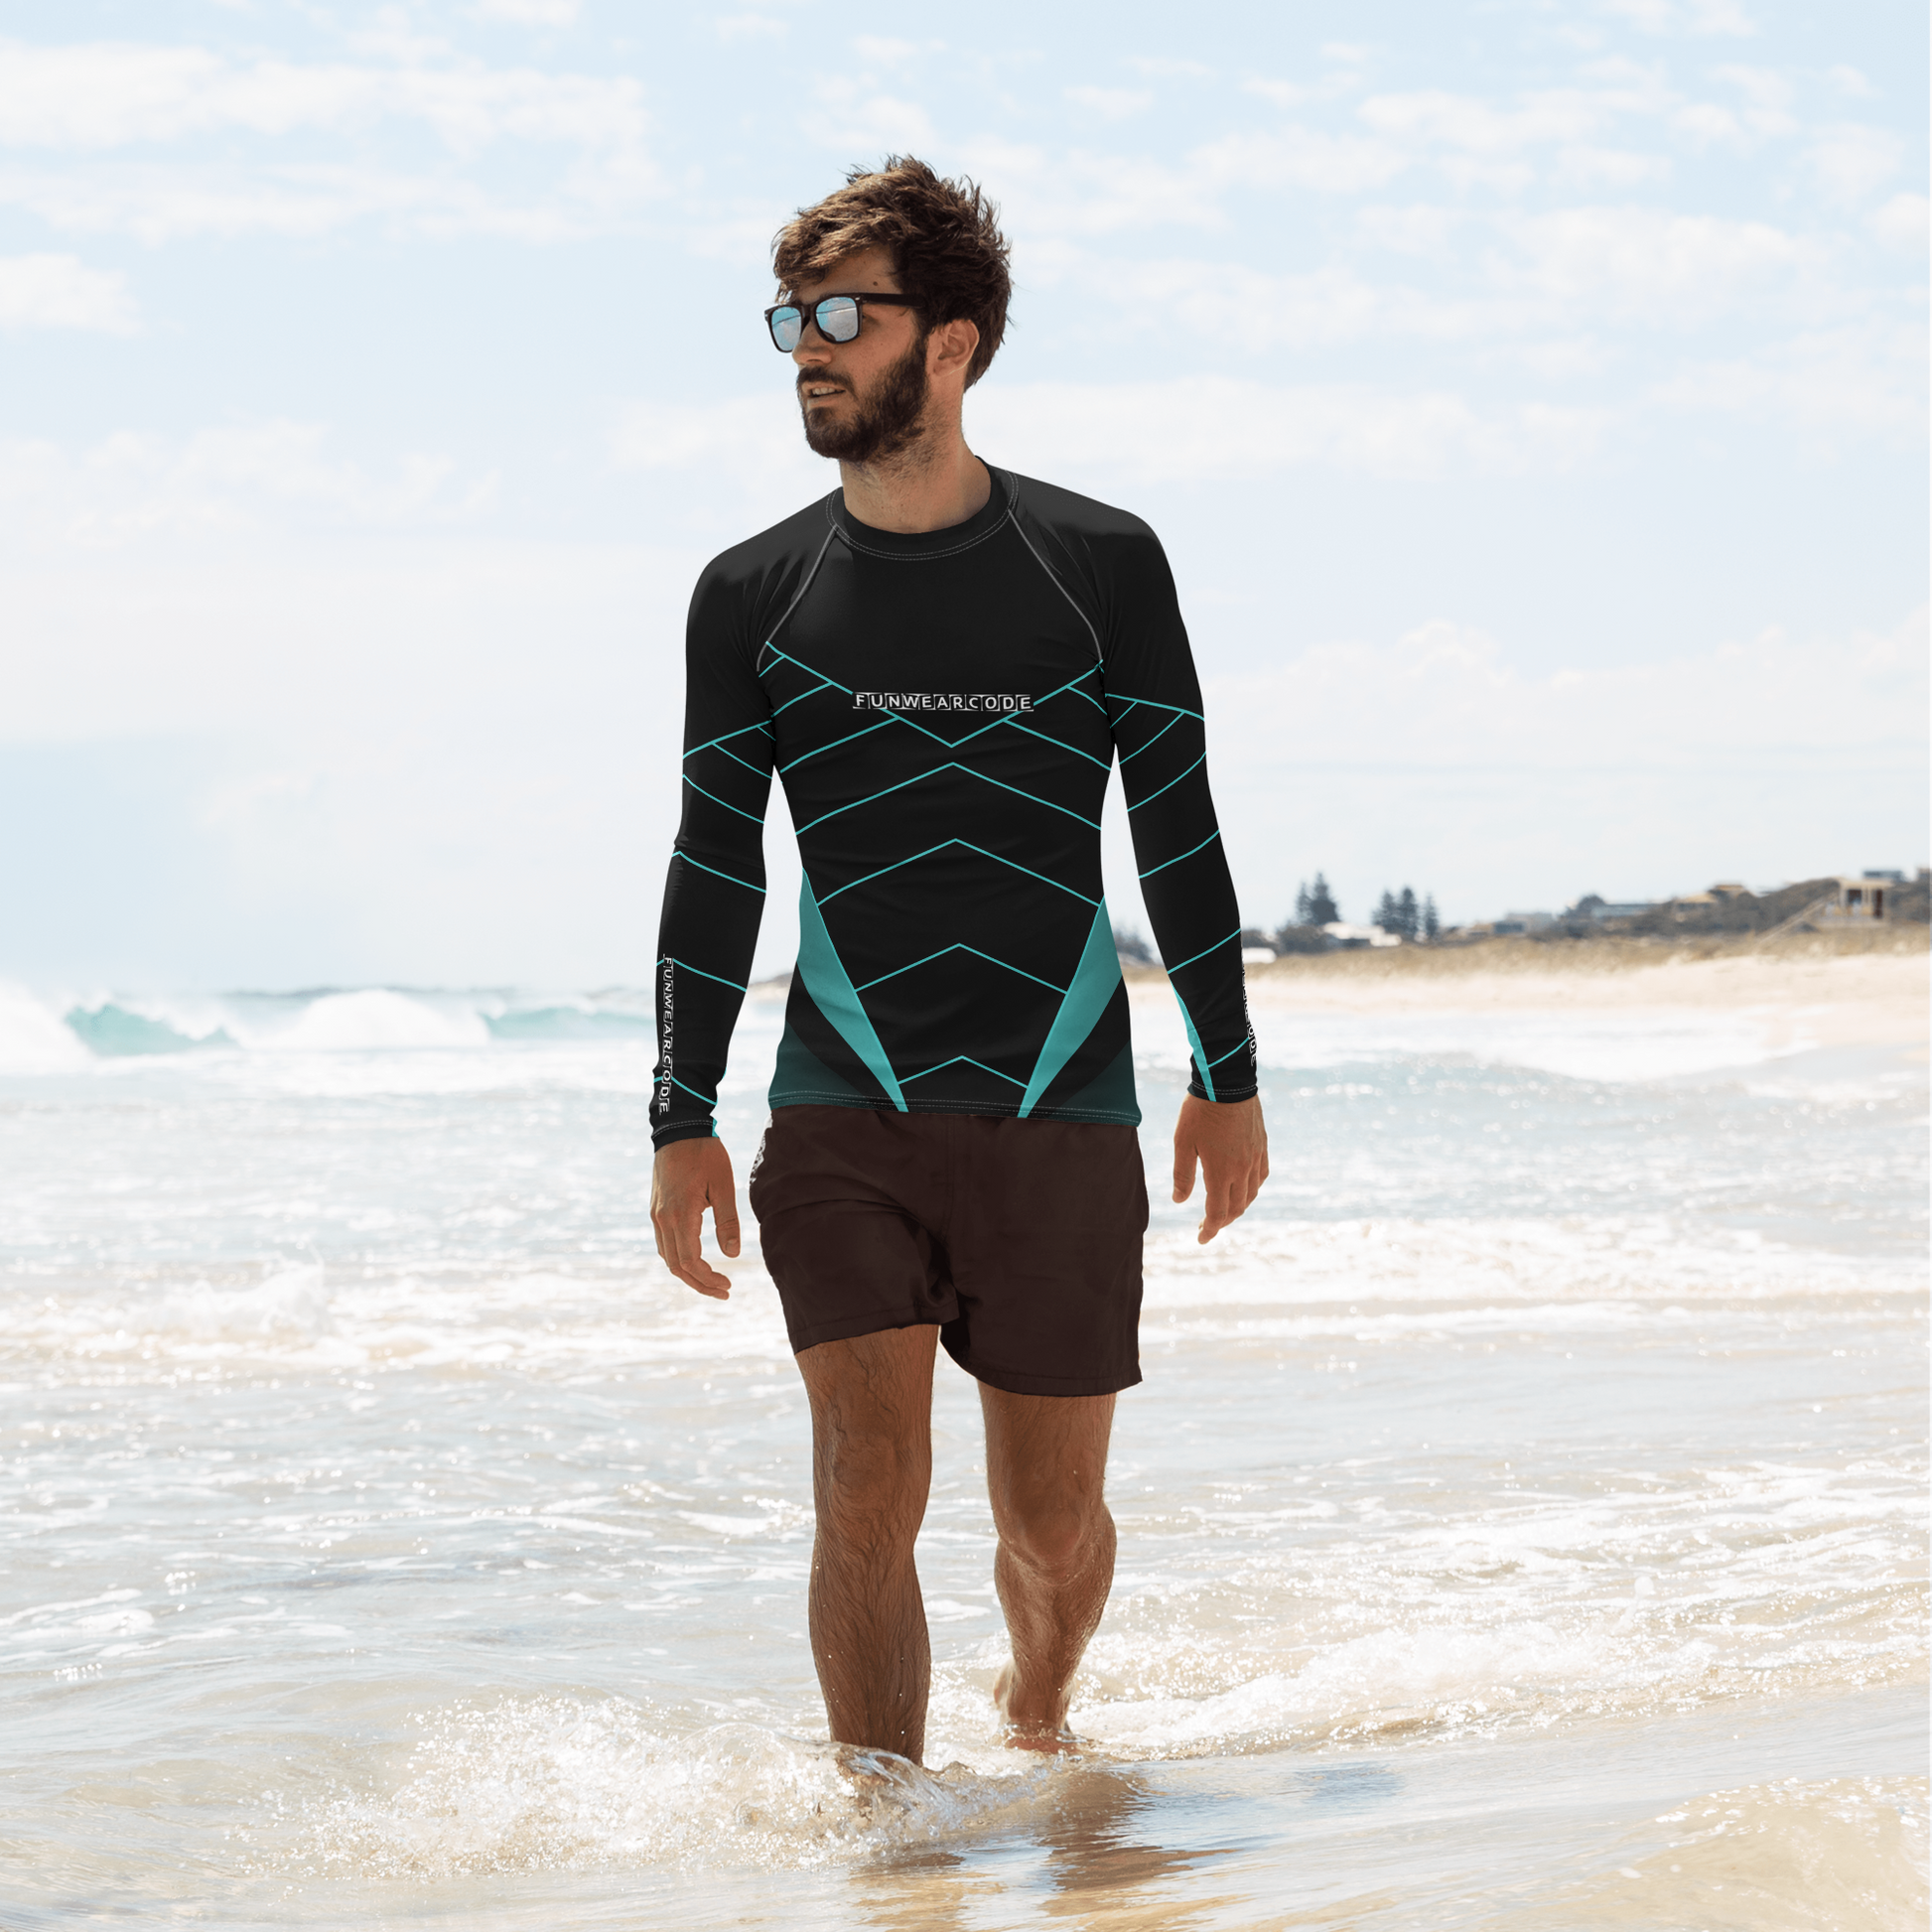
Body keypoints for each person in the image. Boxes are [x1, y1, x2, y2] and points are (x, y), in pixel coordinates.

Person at [648, 157, 1268, 1764]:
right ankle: (888, 1842)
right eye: (790, 315)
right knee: (863, 1484)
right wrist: (677, 1111)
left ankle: (1043, 1702)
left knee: (1049, 1526)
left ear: (954, 343)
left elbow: (1178, 829)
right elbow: (718, 854)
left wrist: (1227, 1073)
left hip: (1060, 1102)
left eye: (844, 313)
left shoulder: (1100, 562)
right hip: (841, 1107)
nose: (807, 346)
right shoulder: (749, 595)